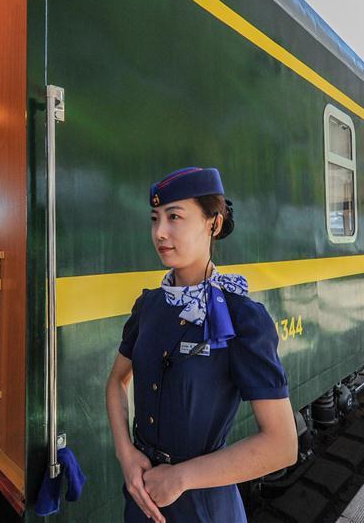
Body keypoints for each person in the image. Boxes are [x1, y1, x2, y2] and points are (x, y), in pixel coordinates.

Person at [105, 166, 297, 523]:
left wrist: (181, 477)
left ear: (214, 223)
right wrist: (126, 455)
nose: (159, 232)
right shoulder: (149, 305)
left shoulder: (243, 317)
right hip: (140, 497)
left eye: (174, 216)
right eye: (155, 218)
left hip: (202, 506)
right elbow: (117, 381)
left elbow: (282, 445)